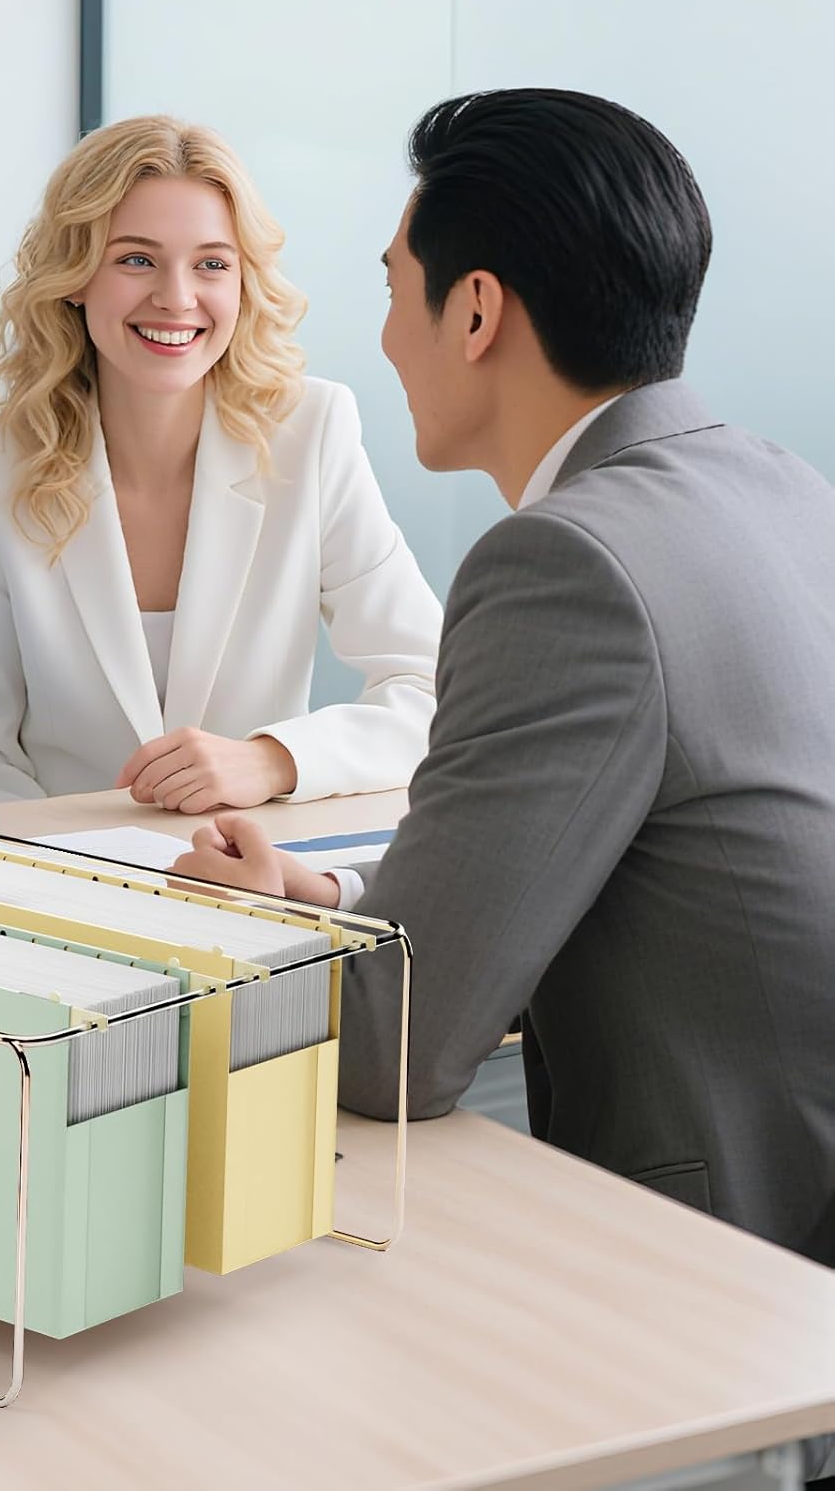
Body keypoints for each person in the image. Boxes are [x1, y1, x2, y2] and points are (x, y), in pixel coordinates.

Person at [174, 89, 835, 1273]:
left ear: (475, 310)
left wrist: (207, 938)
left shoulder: (567, 563)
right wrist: (328, 898)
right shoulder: (783, 485)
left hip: (736, 1256)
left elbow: (398, 1048)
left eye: (394, 288)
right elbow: (618, 857)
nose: (387, 338)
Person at [0, 116, 441, 809]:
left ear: (243, 281)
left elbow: (431, 688)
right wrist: (68, 857)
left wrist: (273, 760)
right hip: (55, 862)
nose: (177, 297)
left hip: (253, 859)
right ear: (75, 277)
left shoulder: (311, 432)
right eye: (136, 260)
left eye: (212, 264)